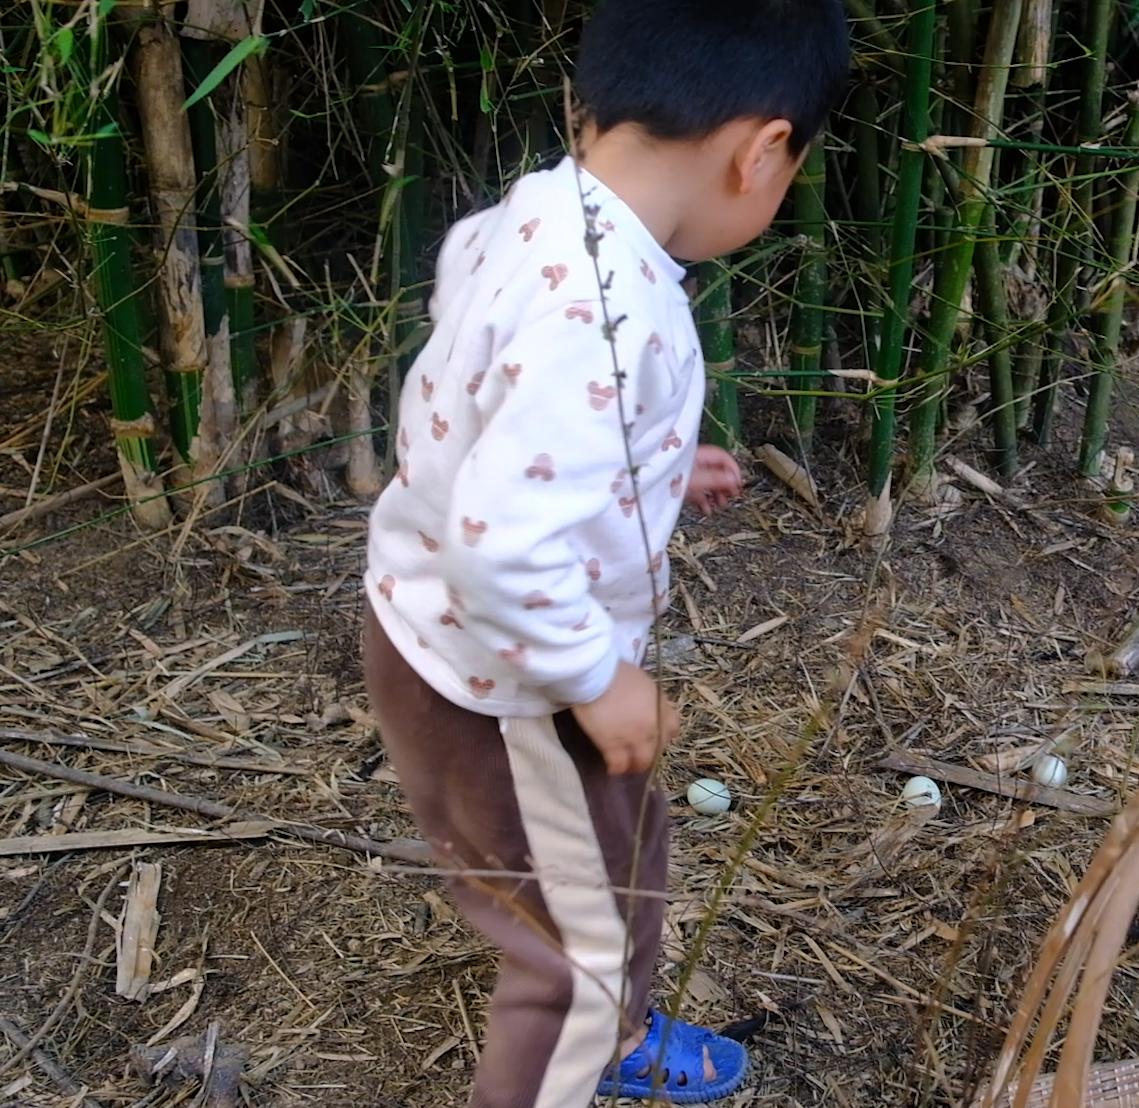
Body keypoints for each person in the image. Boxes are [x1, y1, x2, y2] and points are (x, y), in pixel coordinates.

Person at [360, 2, 848, 1103]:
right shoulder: (605, 307)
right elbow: (500, 545)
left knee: (618, 849)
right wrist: (596, 674)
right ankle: (591, 1030)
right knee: (569, 961)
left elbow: (501, 393)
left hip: (445, 632)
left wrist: (645, 467)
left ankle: (617, 1032)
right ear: (762, 150)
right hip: (508, 684)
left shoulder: (534, 213)